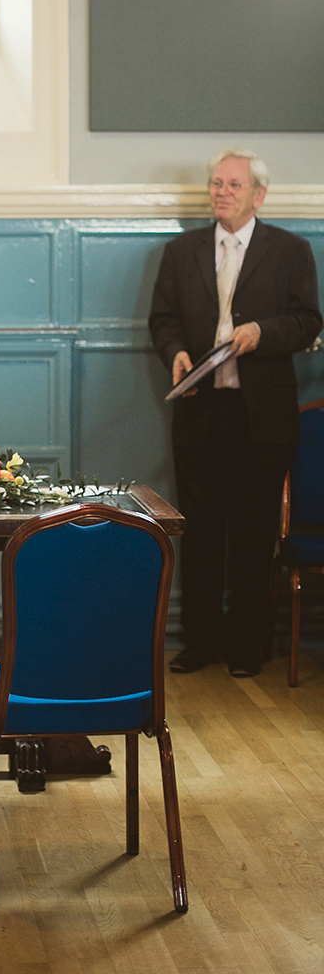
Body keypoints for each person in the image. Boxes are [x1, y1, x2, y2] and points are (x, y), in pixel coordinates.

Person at [149, 148, 322, 679]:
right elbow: (163, 319)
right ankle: (201, 642)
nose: (222, 191)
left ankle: (249, 646)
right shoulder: (183, 251)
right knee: (201, 534)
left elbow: (308, 322)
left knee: (252, 536)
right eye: (216, 183)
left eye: (234, 185)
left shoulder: (290, 250)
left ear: (258, 195)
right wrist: (175, 352)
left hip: (262, 419)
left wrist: (263, 333)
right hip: (202, 414)